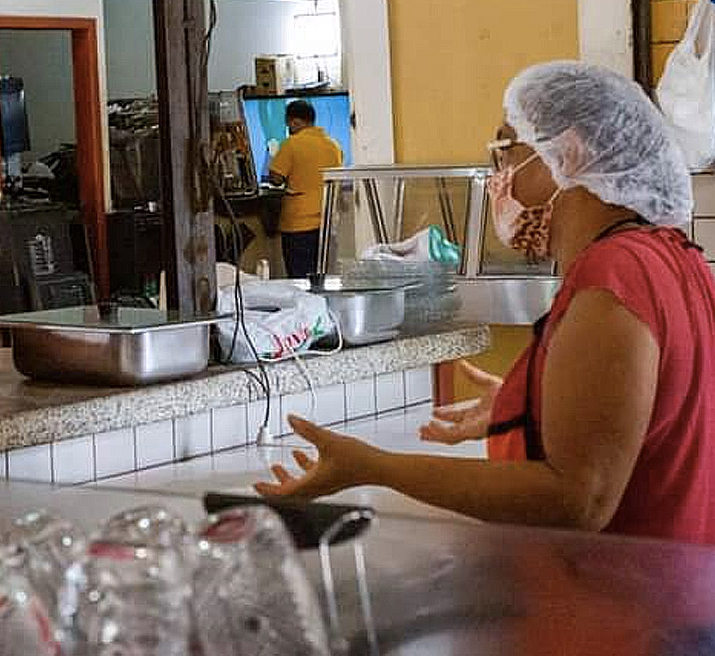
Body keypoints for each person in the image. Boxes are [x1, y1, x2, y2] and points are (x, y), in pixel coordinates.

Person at [255, 61, 715, 545]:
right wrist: (527, 407)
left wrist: (374, 467)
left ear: (570, 153)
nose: (499, 175)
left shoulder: (614, 276)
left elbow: (578, 499)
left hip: (623, 607)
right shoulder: (674, 258)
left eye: (505, 149)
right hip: (669, 596)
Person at [267, 100, 343, 279]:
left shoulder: (291, 144)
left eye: (288, 124)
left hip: (298, 225)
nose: (288, 128)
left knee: (300, 280)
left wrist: (274, 156)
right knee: (324, 278)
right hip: (327, 223)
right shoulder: (334, 145)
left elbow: (276, 179)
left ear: (295, 122)